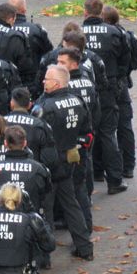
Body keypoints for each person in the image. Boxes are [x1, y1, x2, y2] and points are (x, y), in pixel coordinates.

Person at [34, 65, 94, 260]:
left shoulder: (45, 106)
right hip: (69, 160)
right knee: (71, 205)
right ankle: (85, 248)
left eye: (47, 79)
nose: (43, 82)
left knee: (46, 209)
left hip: (48, 163)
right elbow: (87, 132)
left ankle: (45, 257)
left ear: (57, 83)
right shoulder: (78, 101)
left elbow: (36, 133)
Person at [82, 0, 130, 194]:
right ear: (101, 12)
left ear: (85, 12)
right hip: (108, 88)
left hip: (84, 88)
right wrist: (117, 80)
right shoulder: (115, 32)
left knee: (86, 132)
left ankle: (94, 174)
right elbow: (126, 59)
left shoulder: (76, 33)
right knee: (108, 133)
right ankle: (114, 180)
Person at [57, 48, 97, 231]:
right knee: (80, 185)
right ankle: (82, 225)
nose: (58, 65)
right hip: (83, 140)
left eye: (62, 62)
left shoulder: (65, 89)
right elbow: (96, 112)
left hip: (72, 145)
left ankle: (82, 226)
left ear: (74, 64)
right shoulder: (88, 81)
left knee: (76, 188)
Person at [102, 5, 137, 179]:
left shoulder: (110, 36)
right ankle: (128, 166)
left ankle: (111, 166)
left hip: (110, 85)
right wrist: (126, 72)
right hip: (122, 84)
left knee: (109, 126)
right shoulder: (127, 35)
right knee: (124, 125)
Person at [0, 125, 52, 217]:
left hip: (1, 219)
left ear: (5, 143)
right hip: (31, 219)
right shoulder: (39, 169)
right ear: (25, 143)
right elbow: (46, 193)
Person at [8, 0, 54, 97]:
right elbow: (49, 53)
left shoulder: (3, 31)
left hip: (9, 80)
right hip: (33, 82)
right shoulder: (37, 30)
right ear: (24, 10)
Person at [4, 87, 58, 172]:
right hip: (33, 174)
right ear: (30, 105)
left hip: (3, 174)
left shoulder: (0, 123)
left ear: (11, 104)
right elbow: (49, 159)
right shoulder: (40, 125)